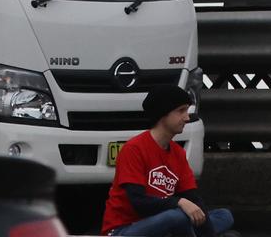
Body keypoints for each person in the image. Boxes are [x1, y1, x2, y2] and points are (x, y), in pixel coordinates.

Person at [101, 85, 237, 237]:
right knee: (178, 216)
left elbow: (192, 198)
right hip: (125, 230)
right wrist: (178, 202)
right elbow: (139, 202)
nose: (187, 117)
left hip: (164, 225)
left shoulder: (178, 153)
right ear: (163, 114)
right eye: (181, 111)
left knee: (224, 215)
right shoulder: (134, 148)